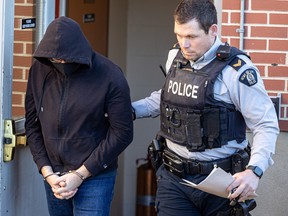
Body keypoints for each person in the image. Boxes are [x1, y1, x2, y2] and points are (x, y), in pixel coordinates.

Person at [132, 0, 279, 215]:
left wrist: (254, 172)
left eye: (191, 36)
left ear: (213, 31)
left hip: (222, 185)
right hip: (175, 180)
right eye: (179, 35)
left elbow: (266, 124)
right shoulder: (176, 56)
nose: (184, 44)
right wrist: (129, 111)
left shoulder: (236, 71)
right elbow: (166, 99)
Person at [25, 16, 133, 216]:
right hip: (54, 175)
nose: (62, 63)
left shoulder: (110, 75)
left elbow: (123, 133)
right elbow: (32, 125)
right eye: (56, 60)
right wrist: (47, 172)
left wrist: (81, 174)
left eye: (67, 59)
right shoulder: (39, 71)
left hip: (95, 176)